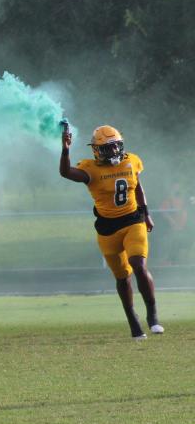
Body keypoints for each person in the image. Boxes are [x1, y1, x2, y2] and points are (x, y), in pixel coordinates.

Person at [59, 124, 163, 339]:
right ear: (96, 150)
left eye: (116, 146)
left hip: (133, 219)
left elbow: (138, 187)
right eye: (108, 148)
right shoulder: (91, 169)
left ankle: (152, 316)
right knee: (122, 276)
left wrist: (146, 213)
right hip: (107, 229)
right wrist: (65, 149)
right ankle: (133, 321)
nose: (114, 151)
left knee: (138, 265)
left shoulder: (131, 160)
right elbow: (66, 172)